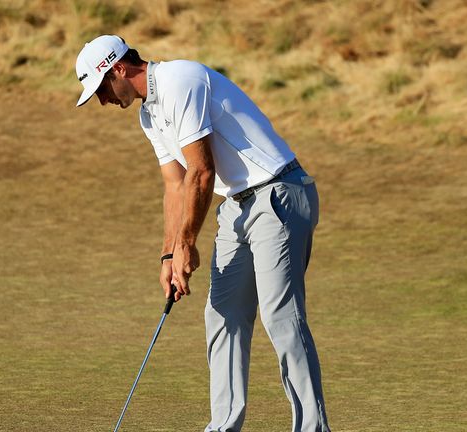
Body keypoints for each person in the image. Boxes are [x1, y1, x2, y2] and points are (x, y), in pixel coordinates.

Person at [74, 35, 331, 432]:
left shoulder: (181, 79)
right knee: (222, 313)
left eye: (102, 89)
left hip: (278, 192)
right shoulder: (149, 116)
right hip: (236, 206)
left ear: (119, 69)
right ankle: (223, 426)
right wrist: (168, 255)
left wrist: (187, 244)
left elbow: (202, 171)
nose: (104, 101)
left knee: (281, 317)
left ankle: (313, 428)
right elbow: (175, 185)